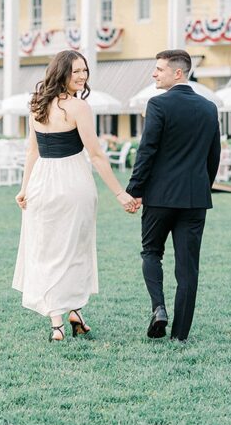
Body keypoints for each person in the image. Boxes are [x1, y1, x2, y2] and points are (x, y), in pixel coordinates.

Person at [13, 50, 138, 342]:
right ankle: (72, 310)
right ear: (62, 73)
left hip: (41, 182)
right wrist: (119, 193)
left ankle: (60, 320)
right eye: (76, 71)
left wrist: (24, 186)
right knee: (75, 248)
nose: (82, 76)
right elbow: (95, 154)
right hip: (72, 181)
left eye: (85, 71)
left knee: (47, 249)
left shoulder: (36, 105)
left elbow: (32, 151)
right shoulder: (79, 107)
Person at [126, 49, 222, 343]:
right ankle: (180, 335)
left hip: (159, 197)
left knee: (151, 253)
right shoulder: (210, 108)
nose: (154, 74)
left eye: (159, 69)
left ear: (177, 73)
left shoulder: (158, 104)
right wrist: (201, 185)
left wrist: (135, 190)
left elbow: (147, 151)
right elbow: (214, 156)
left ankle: (158, 308)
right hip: (195, 199)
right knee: (188, 267)